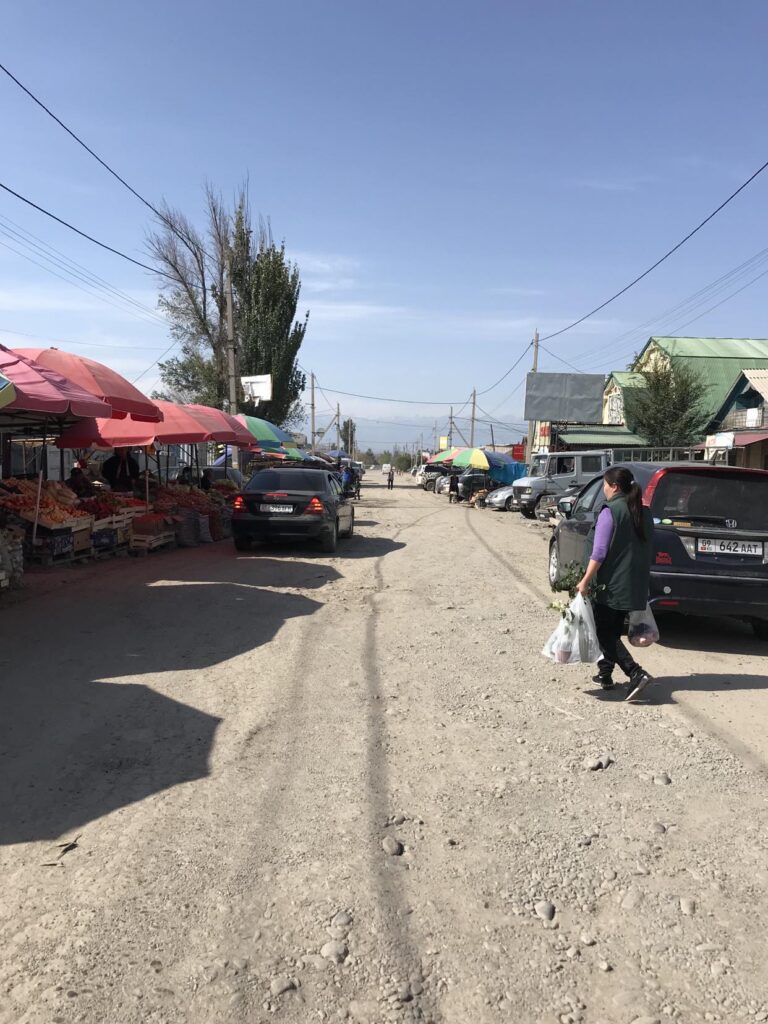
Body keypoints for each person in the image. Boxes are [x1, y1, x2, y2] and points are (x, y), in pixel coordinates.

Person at [576, 466, 654, 702]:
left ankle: (635, 673)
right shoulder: (643, 511)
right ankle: (605, 675)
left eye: (605, 487)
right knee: (612, 629)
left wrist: (585, 580)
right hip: (633, 582)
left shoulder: (611, 511)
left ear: (615, 487)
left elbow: (599, 552)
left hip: (610, 585)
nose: (604, 491)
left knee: (603, 633)